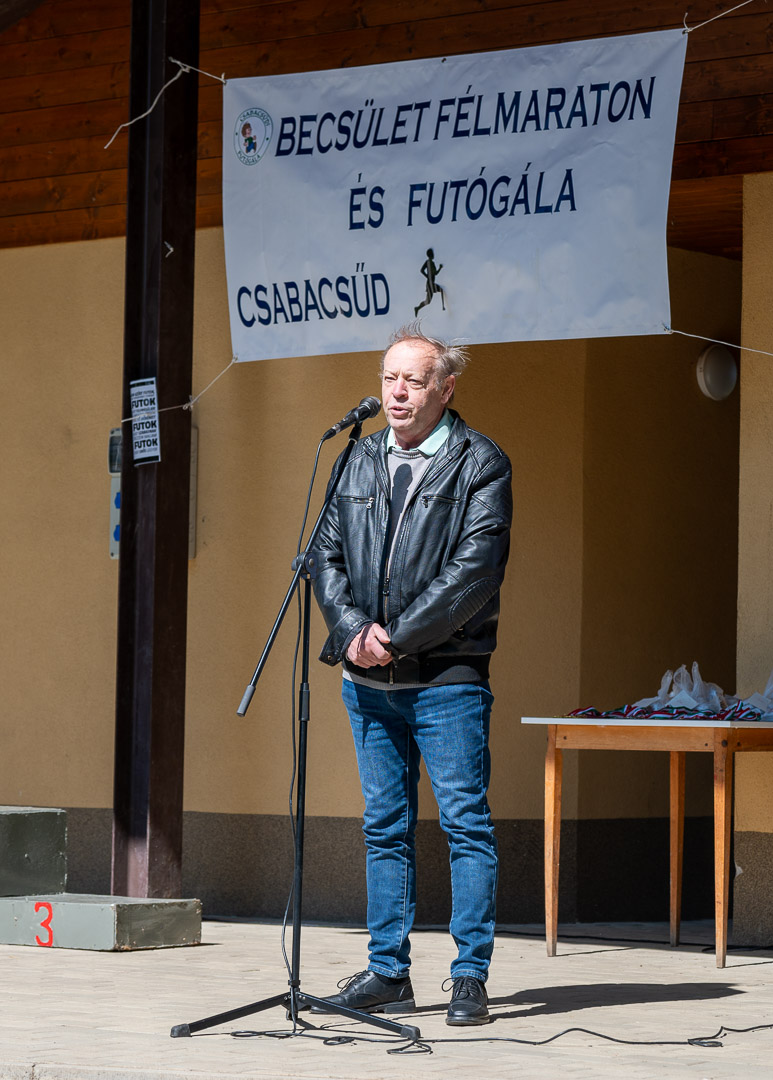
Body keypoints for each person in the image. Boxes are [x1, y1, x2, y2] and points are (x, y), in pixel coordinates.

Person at [309, 323, 512, 1026]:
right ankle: (388, 973)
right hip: (367, 682)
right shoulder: (357, 458)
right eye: (388, 378)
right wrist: (351, 632)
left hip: (446, 680)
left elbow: (475, 572)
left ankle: (469, 977)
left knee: (465, 825)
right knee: (384, 828)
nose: (396, 392)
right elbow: (324, 555)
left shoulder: (480, 462)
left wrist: (395, 638)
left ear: (445, 388)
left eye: (413, 380)